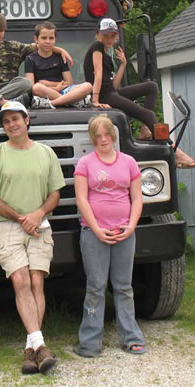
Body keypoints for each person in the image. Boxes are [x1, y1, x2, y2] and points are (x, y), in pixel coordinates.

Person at [0, 101, 65, 375]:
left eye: (15, 119)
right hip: (8, 226)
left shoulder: (46, 153)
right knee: (21, 281)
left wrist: (38, 213)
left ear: (26, 121)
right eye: (6, 121)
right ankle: (41, 344)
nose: (11, 124)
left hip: (40, 224)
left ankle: (31, 350)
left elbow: (55, 194)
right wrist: (21, 218)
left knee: (37, 281)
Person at [83, 18, 195, 169]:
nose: (109, 39)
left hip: (111, 92)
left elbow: (113, 85)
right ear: (98, 34)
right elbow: (98, 75)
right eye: (106, 35)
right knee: (148, 115)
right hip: (103, 95)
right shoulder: (97, 47)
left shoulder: (107, 54)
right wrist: (95, 100)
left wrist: (123, 65)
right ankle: (175, 152)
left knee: (151, 86)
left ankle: (146, 130)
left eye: (113, 35)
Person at [73, 114, 146, 358]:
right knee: (95, 286)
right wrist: (96, 229)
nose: (103, 139)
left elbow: (137, 197)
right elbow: (82, 199)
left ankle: (132, 337)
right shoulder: (85, 163)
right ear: (92, 138)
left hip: (124, 231)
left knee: (124, 286)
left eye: (107, 134)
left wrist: (131, 226)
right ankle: (90, 342)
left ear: (113, 136)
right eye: (98, 135)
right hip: (94, 233)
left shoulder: (129, 162)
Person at [25, 21, 93, 109]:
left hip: (64, 90)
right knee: (37, 88)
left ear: (55, 39)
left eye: (51, 38)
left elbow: (69, 82)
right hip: (45, 93)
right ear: (36, 39)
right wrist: (56, 88)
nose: (48, 41)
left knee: (88, 86)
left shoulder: (60, 57)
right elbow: (31, 86)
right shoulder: (30, 59)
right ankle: (71, 101)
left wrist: (46, 83)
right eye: (44, 38)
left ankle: (52, 103)